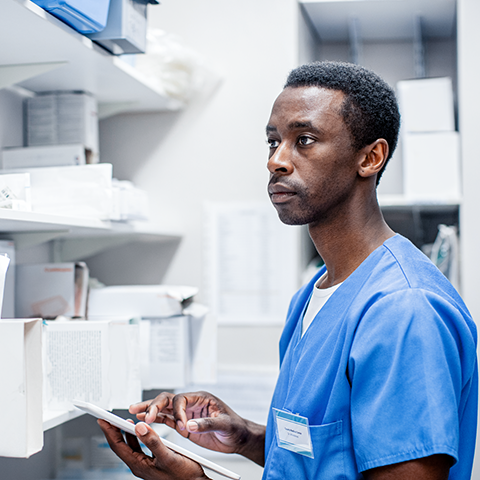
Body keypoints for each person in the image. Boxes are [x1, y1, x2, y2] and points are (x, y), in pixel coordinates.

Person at [99, 61, 478, 480]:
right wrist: (245, 437)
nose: (276, 161)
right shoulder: (314, 294)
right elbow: (327, 457)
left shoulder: (404, 309)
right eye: (273, 142)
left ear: (370, 158)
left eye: (305, 140)